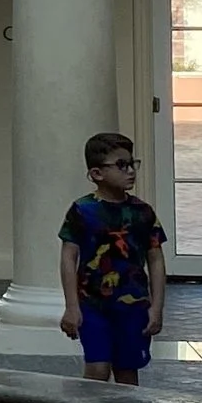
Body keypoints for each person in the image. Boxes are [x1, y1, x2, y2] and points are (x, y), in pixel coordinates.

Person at [60, 132, 166, 387]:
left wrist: (157, 307)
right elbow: (68, 257)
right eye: (121, 165)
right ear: (97, 173)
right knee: (97, 369)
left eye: (132, 164)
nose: (130, 171)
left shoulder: (143, 212)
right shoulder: (82, 210)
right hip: (92, 303)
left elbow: (156, 259)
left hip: (133, 304)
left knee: (127, 372)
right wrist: (72, 306)